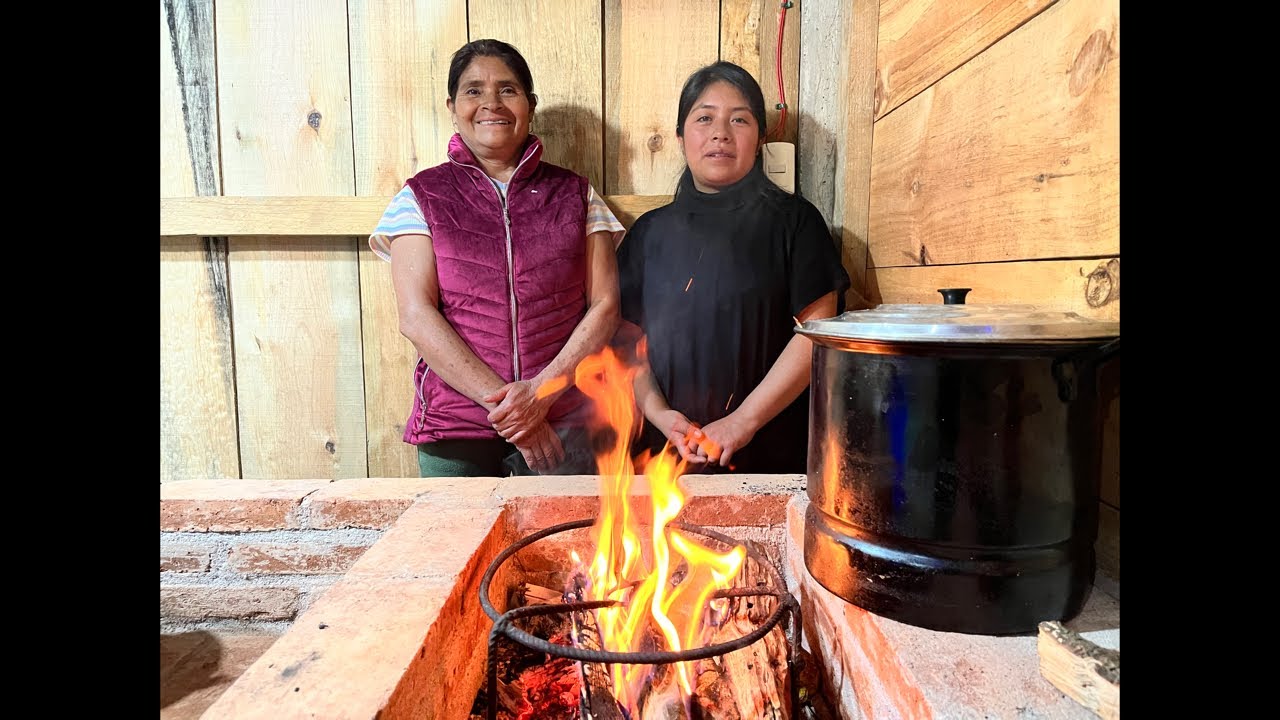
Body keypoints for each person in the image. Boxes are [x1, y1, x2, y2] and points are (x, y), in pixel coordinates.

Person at [369, 39, 624, 478]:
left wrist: (541, 394)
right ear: (452, 105)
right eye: (473, 91)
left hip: (565, 423)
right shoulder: (421, 196)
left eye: (508, 90)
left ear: (530, 104)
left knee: (569, 547)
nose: (491, 103)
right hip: (457, 429)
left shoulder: (577, 195)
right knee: (457, 546)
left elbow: (605, 306)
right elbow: (415, 316)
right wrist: (518, 415)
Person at [616, 61, 851, 474]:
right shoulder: (649, 234)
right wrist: (658, 413)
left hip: (772, 456)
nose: (720, 133)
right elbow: (627, 343)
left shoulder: (795, 222)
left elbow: (816, 335)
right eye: (704, 118)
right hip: (664, 461)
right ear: (679, 136)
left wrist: (741, 423)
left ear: (759, 138)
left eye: (738, 119)